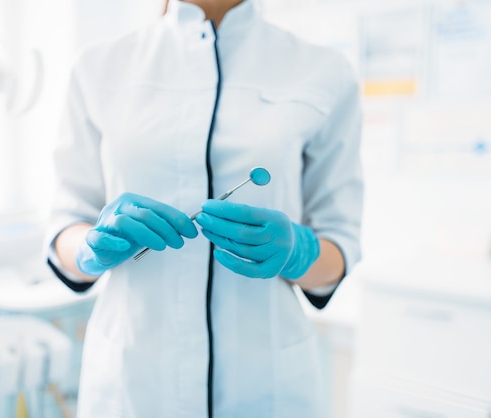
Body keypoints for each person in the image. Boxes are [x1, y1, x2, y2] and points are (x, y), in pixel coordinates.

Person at [45, 0, 363, 416]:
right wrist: (89, 246)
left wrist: (299, 251)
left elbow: (340, 244)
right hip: (134, 382)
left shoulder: (322, 70)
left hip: (265, 380)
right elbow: (64, 224)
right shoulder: (99, 67)